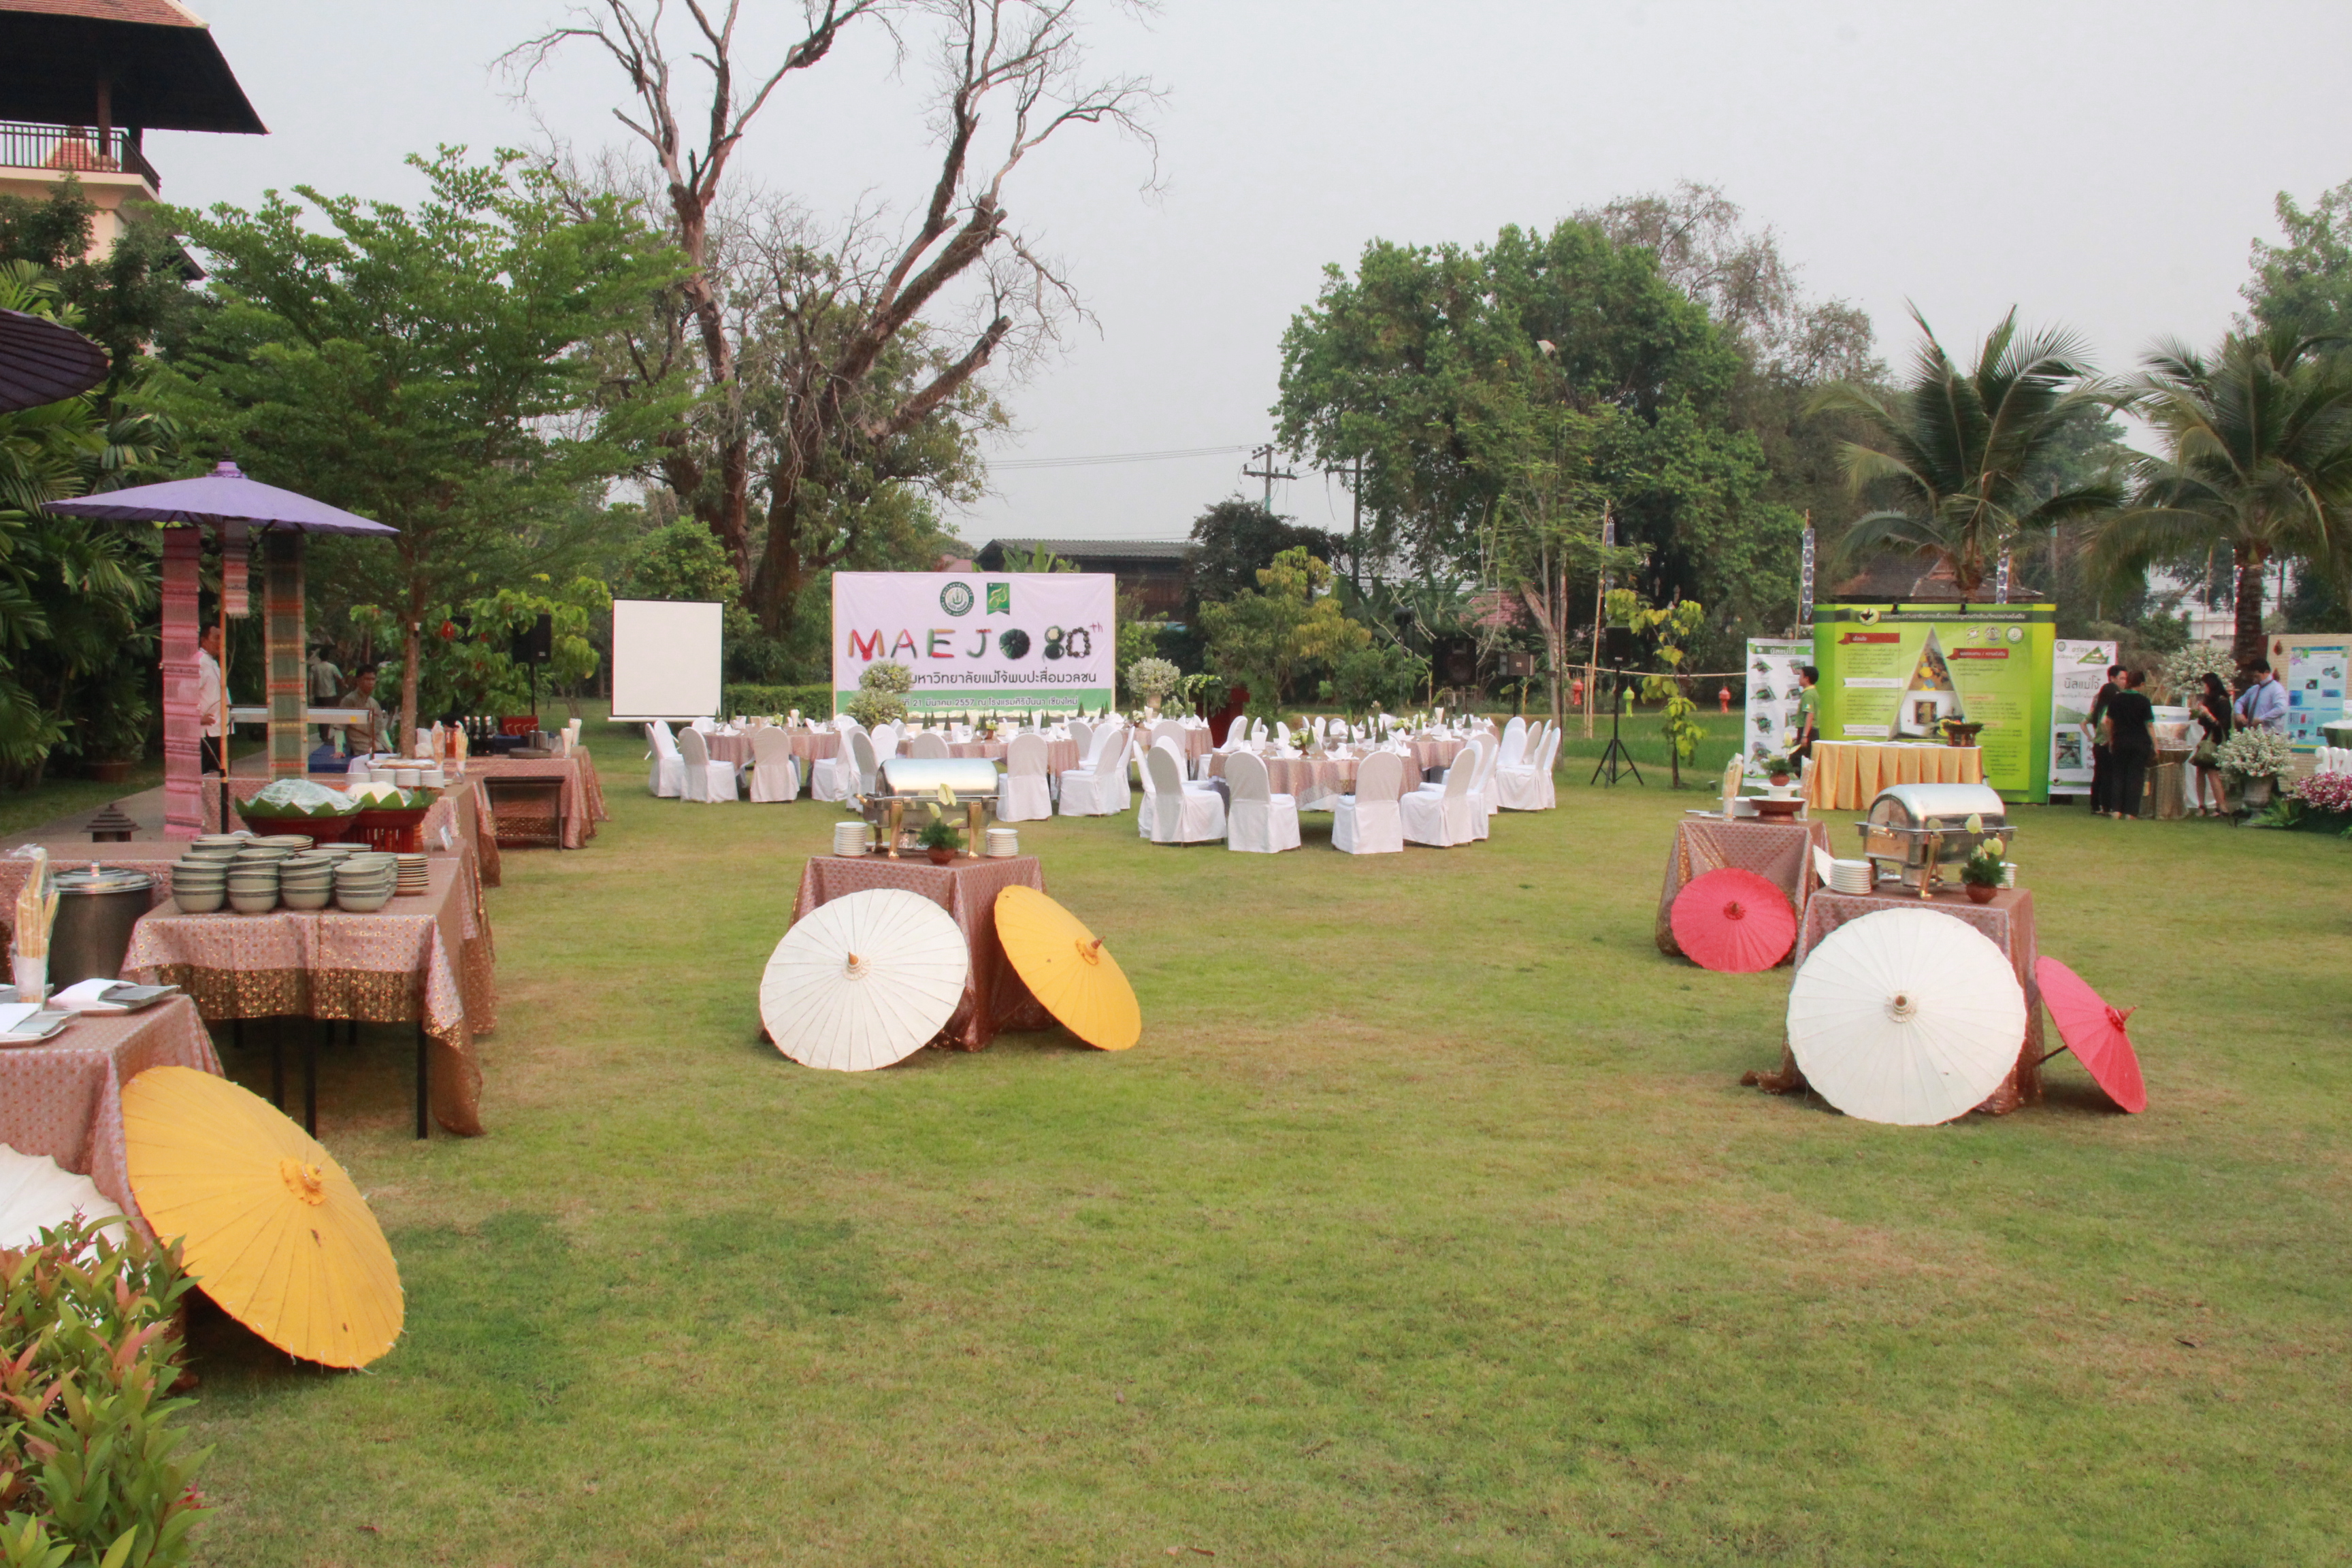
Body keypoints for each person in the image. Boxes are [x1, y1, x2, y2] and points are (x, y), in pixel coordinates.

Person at [2102, 668, 2156, 820]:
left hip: (2120, 741)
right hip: (2140, 743)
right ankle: (2130, 812)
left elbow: (2109, 722)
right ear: (2142, 684)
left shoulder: (2116, 699)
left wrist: (2111, 739)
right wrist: (2156, 744)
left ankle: (2116, 810)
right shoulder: (2144, 701)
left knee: (2118, 775)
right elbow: (2149, 725)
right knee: (2135, 776)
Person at [2191, 671, 2232, 817]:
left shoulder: (2223, 702)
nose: (2204, 689)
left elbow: (2222, 725)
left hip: (2217, 739)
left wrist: (2208, 714)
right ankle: (2201, 805)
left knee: (2213, 772)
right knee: (2201, 770)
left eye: (2205, 685)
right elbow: (2202, 723)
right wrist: (2201, 713)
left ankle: (2222, 806)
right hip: (2208, 738)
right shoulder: (2209, 700)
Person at [2087, 663, 2125, 816]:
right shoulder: (2109, 706)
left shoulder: (2098, 704)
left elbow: (2086, 721)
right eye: (2122, 679)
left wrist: (2092, 737)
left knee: (2099, 775)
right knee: (2108, 775)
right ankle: (2106, 806)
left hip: (2098, 743)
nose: (2124, 682)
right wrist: (2109, 738)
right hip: (2105, 744)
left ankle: (2096, 805)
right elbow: (2104, 722)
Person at [196, 624, 228, 776]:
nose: (220, 643)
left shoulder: (212, 662)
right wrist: (197, 717)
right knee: (207, 774)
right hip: (206, 731)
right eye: (216, 638)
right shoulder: (199, 661)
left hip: (218, 728)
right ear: (204, 640)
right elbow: (186, 692)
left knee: (218, 772)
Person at [340, 668, 388, 757]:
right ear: (358, 681)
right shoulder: (349, 700)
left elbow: (381, 728)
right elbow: (340, 726)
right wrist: (339, 750)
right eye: (367, 679)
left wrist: (389, 746)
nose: (371, 683)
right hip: (359, 745)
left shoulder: (373, 702)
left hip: (377, 744)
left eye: (373, 679)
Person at [2235, 659, 2287, 733]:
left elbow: (2281, 709)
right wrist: (2239, 713)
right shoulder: (2254, 689)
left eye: (2257, 676)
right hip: (2253, 732)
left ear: (2266, 672)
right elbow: (2240, 702)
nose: (2254, 679)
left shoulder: (2277, 689)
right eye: (2253, 676)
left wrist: (2262, 719)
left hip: (2269, 733)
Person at [308, 643, 342, 743]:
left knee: (320, 714)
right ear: (328, 656)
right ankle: (325, 736)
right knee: (328, 714)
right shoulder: (332, 667)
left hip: (318, 695)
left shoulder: (314, 668)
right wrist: (343, 685)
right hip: (330, 694)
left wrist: (310, 694)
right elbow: (339, 678)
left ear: (320, 657)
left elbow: (310, 681)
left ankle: (322, 734)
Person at [1792, 665, 1820, 762]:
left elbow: (1810, 714)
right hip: (1809, 731)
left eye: (1801, 676)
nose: (1799, 679)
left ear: (1807, 679)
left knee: (1797, 760)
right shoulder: (1811, 692)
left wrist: (1805, 736)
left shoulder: (1808, 695)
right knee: (1802, 760)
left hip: (1809, 732)